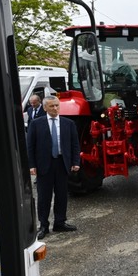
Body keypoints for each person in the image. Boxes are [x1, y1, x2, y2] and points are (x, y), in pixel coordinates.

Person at [27, 95, 82, 240]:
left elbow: (75, 144)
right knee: (44, 196)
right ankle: (43, 225)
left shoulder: (68, 123)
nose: (55, 108)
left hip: (62, 163)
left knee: (62, 194)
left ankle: (60, 222)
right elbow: (30, 146)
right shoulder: (36, 124)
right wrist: (31, 165)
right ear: (45, 107)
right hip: (44, 165)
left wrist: (76, 161)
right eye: (52, 106)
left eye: (57, 105)